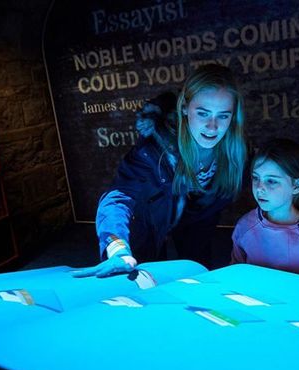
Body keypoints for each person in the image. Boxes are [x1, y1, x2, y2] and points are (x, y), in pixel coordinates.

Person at [74, 64, 247, 278]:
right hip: (150, 222)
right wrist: (116, 247)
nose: (212, 126)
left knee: (198, 276)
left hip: (196, 227)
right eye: (203, 113)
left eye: (223, 116)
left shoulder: (235, 151)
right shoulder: (155, 149)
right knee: (145, 279)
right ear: (185, 107)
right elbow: (119, 196)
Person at [231, 138, 299, 280]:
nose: (260, 188)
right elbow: (234, 276)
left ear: (296, 186)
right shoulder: (245, 225)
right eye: (255, 178)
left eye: (271, 181)